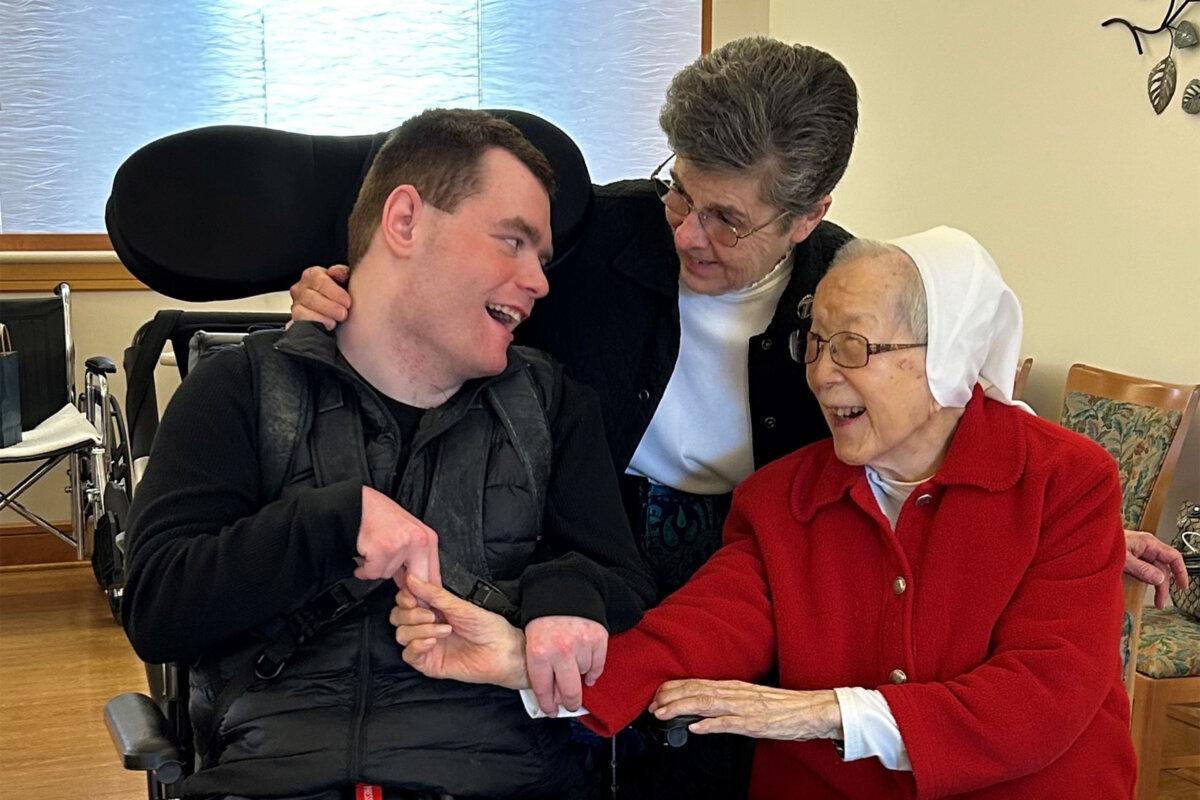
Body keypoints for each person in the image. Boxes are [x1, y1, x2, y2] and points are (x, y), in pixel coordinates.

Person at [290, 36, 1186, 797]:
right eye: (681, 191)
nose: (687, 232)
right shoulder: (597, 237)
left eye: (727, 218)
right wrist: (357, 293)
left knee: (717, 745)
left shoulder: (845, 286)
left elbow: (951, 409)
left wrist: (1083, 533)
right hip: (608, 527)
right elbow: (456, 284)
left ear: (808, 216)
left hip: (765, 534)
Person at [390, 227, 1140, 799]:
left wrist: (820, 713)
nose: (819, 374)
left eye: (852, 348)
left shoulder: (1066, 482)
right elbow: (698, 632)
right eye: (815, 343)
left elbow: (1042, 700)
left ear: (944, 354)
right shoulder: (785, 497)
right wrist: (529, 661)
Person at [121, 109, 655, 800]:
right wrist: (329, 527)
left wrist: (564, 599)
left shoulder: (550, 407)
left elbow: (624, 582)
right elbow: (159, 609)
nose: (539, 282)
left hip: (494, 774)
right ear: (405, 221)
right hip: (275, 773)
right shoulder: (242, 391)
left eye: (543, 258)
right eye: (513, 242)